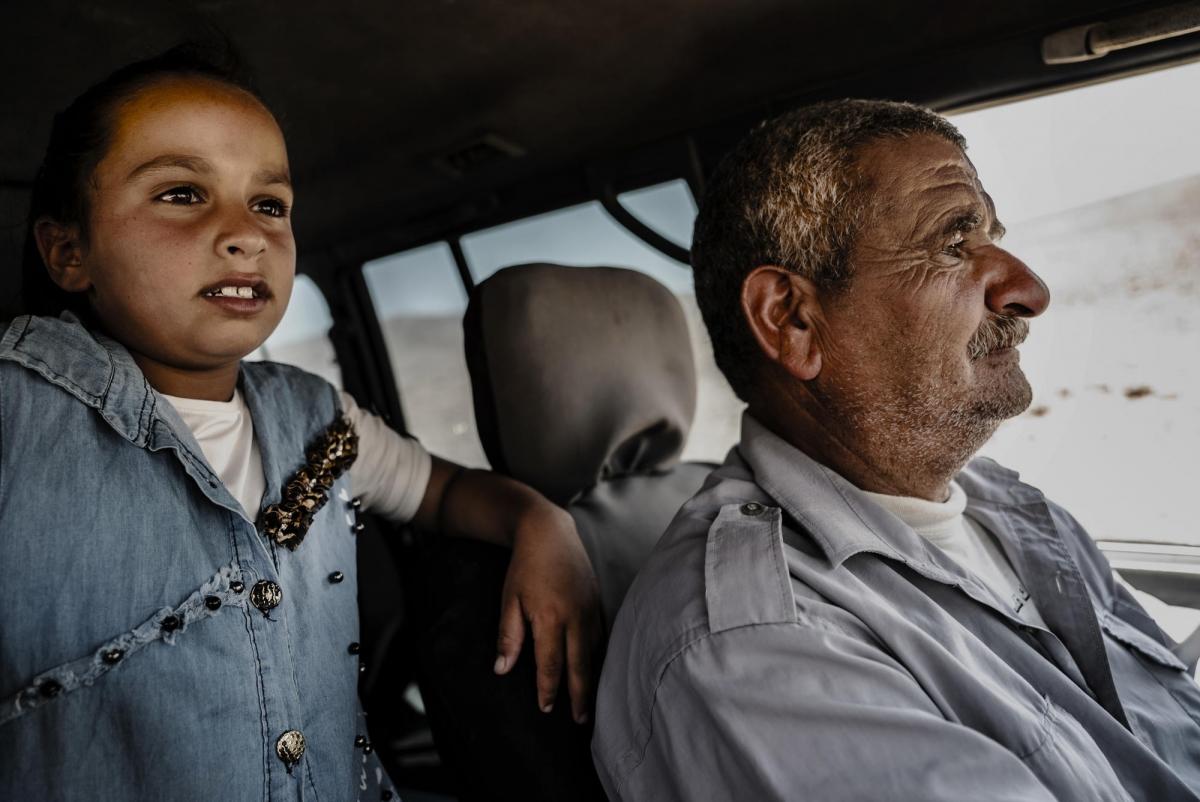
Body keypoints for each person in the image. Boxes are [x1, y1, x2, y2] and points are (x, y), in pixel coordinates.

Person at [0, 44, 601, 801]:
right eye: (183, 194)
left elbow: (443, 494)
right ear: (67, 251)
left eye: (270, 204)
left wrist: (542, 523)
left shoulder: (317, 414)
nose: (245, 233)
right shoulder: (17, 417)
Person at [592, 99, 1200, 801]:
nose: (1029, 290)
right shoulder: (760, 649)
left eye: (994, 236)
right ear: (792, 320)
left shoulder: (1009, 510)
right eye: (953, 244)